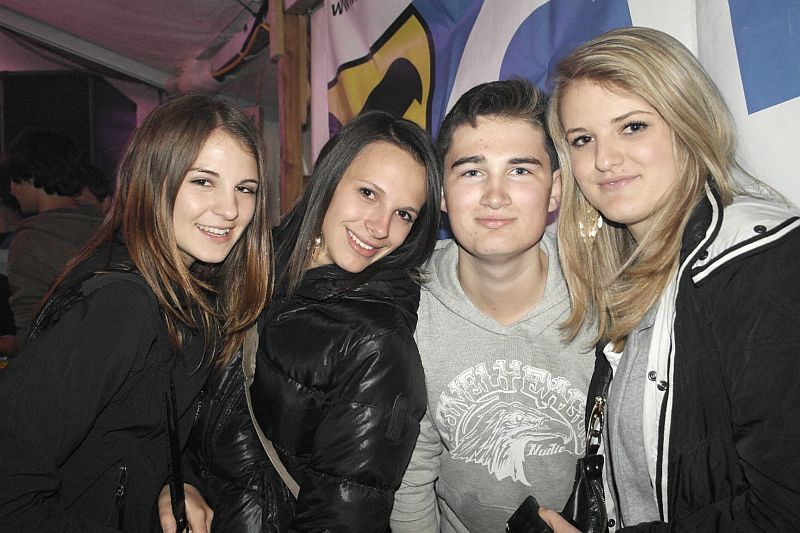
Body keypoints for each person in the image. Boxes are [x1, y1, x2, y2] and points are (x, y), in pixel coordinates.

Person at [540, 26, 800, 532]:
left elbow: (784, 509)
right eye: (583, 139)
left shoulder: (761, 263)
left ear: (688, 121)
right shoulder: (627, 271)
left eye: (633, 127)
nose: (603, 160)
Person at [0, 93, 272, 532]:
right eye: (203, 181)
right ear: (153, 180)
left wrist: (177, 482)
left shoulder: (189, 295)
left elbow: (133, 434)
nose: (230, 209)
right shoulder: (121, 307)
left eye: (245, 189)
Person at [164, 110, 443, 532]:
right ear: (329, 180)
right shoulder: (244, 263)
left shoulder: (377, 344)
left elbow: (342, 519)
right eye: (368, 193)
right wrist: (177, 482)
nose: (380, 227)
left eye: (404, 214)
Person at [390, 79, 596, 532]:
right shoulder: (404, 304)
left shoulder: (606, 296)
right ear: (441, 193)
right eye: (471, 172)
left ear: (555, 190)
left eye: (519, 170)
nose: (495, 196)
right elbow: (410, 476)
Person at [3, 128, 105, 350]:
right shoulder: (106, 226)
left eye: (14, 179)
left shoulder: (32, 239)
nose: (11, 189)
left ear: (31, 177)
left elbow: (32, 333)